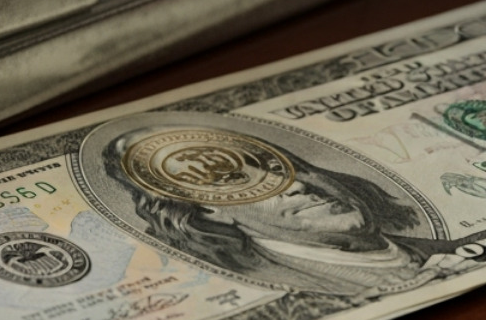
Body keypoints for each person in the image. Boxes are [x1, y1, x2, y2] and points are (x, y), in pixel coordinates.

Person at [101, 125, 481, 297]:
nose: (296, 184)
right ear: (210, 211)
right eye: (235, 180)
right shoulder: (299, 293)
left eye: (276, 166)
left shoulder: (442, 251)